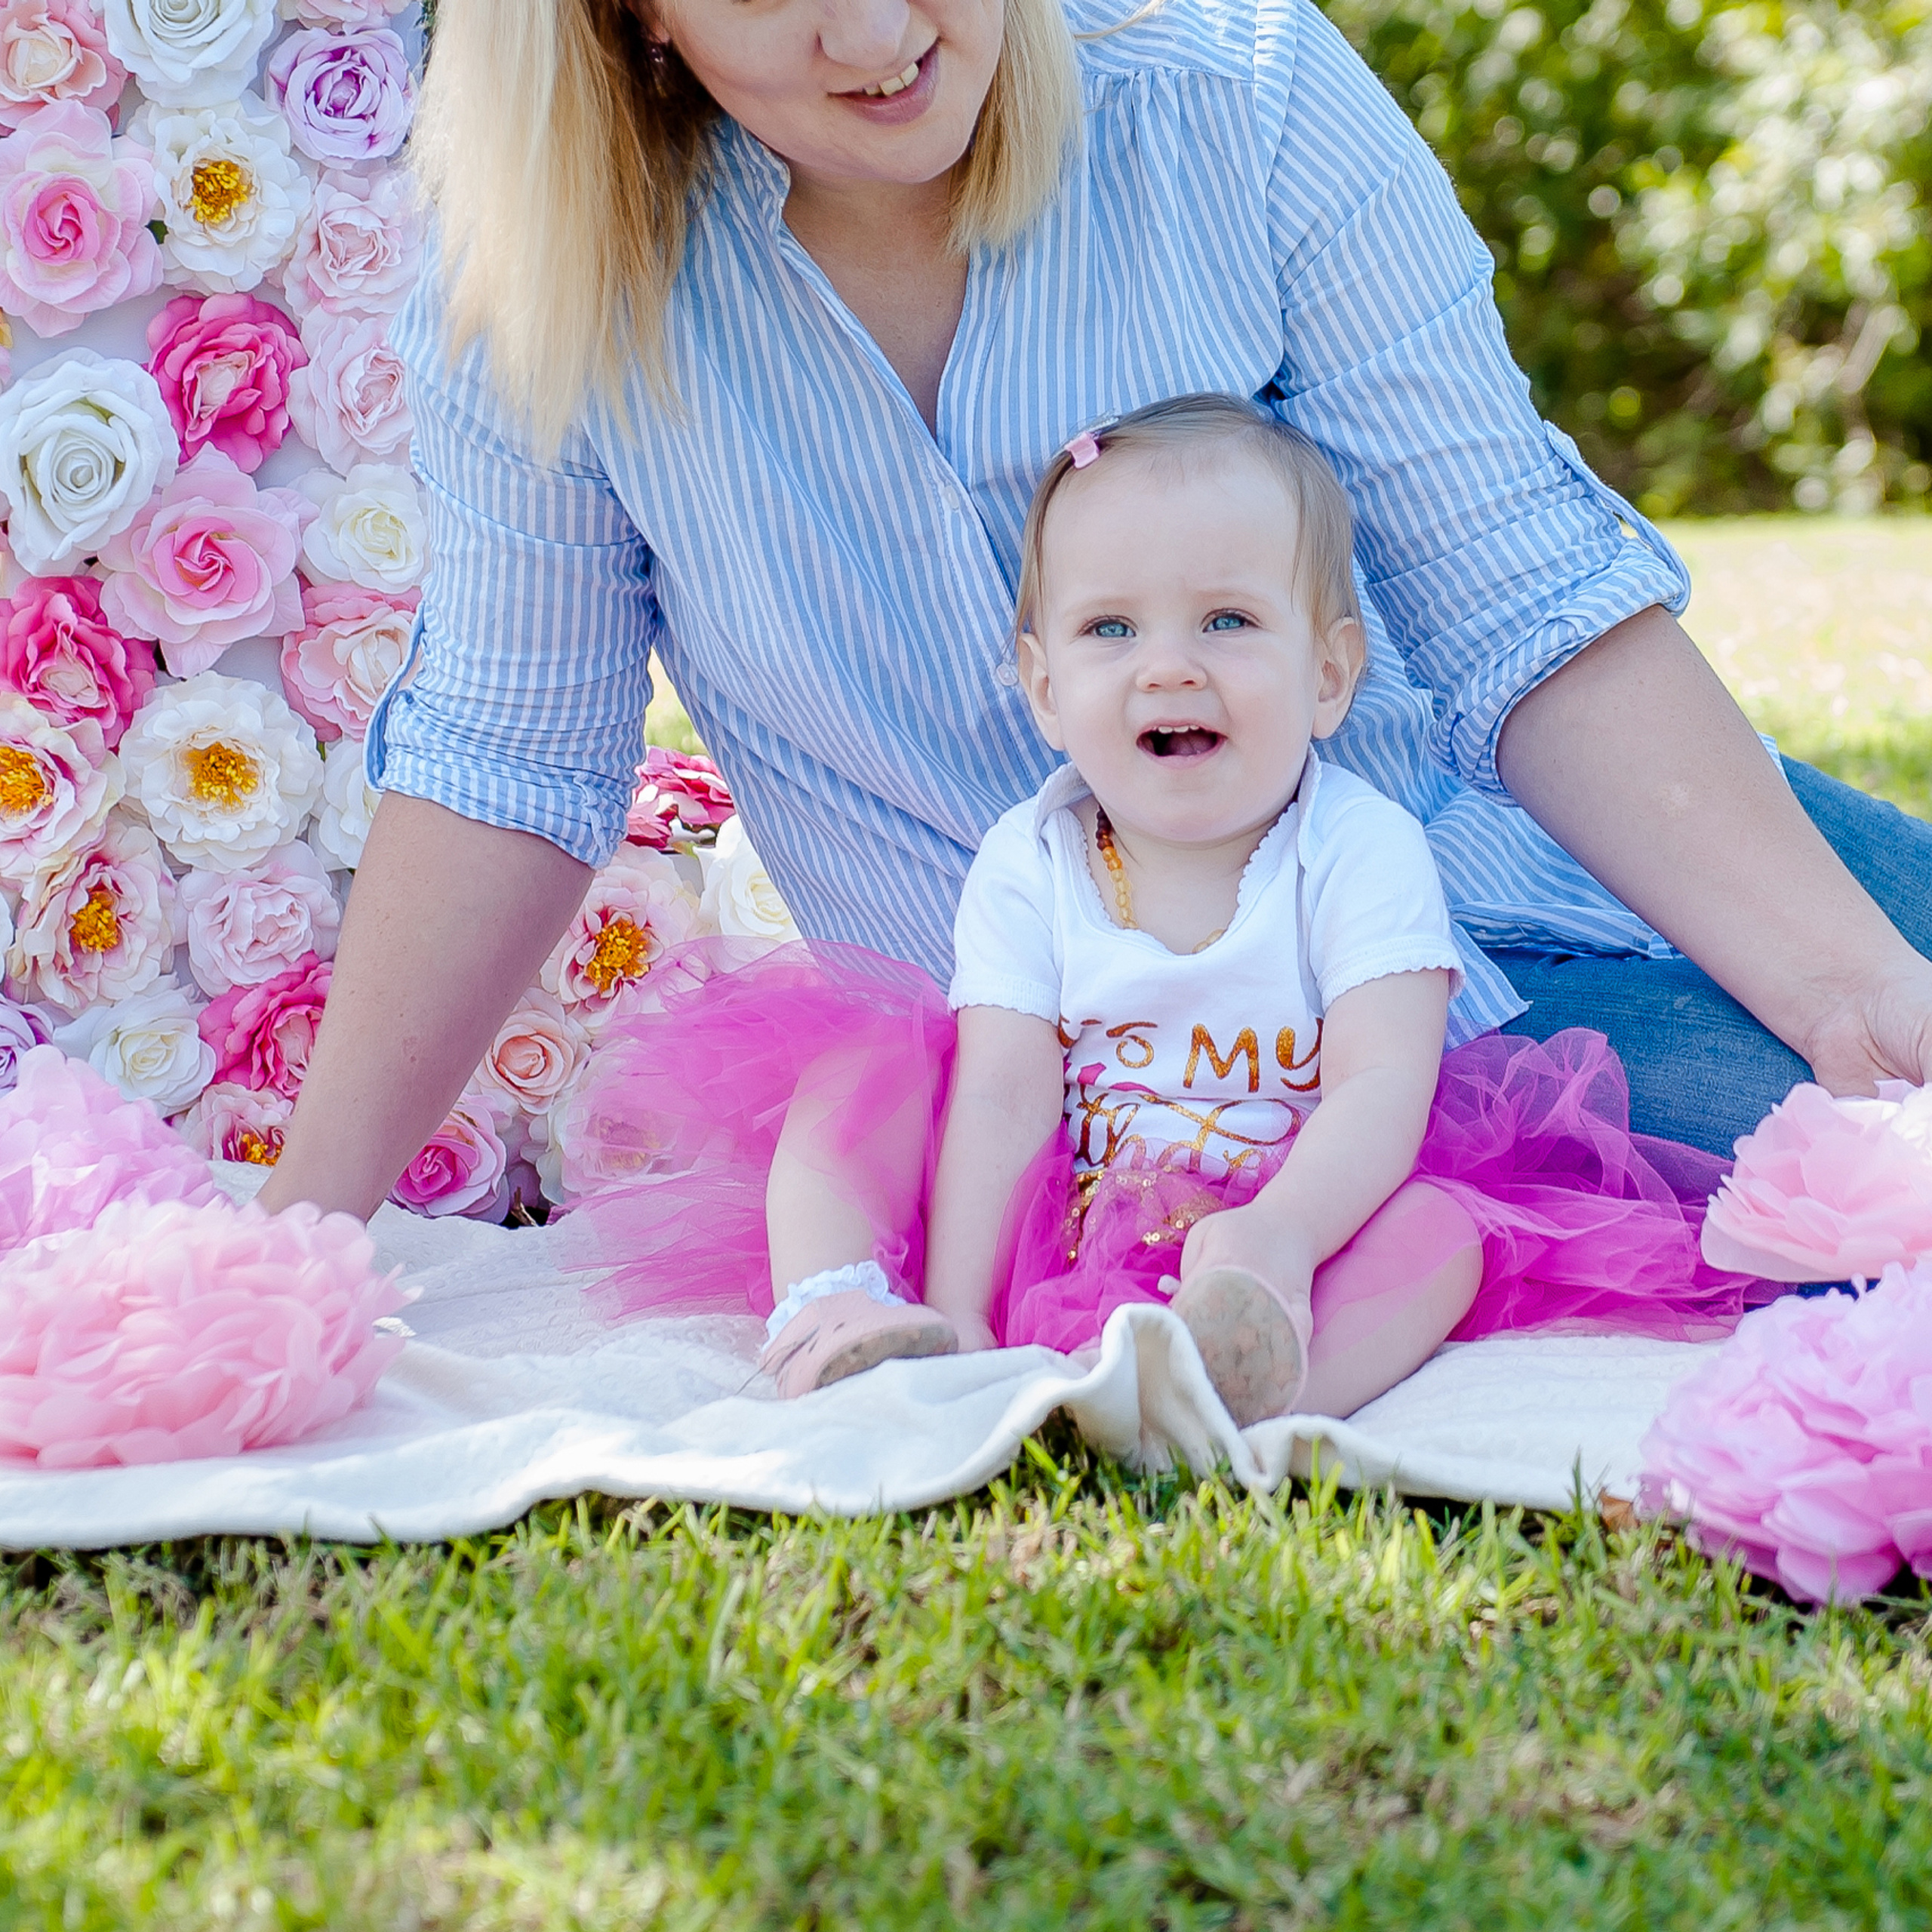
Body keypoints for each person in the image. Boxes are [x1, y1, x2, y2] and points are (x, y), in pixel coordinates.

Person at [257, 0, 1932, 1232]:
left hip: (1497, 836)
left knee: (1892, 1002)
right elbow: (506, 761)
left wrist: (1848, 987)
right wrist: (309, 1224)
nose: (876, 36)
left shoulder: (1237, 91)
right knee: (1859, 1203)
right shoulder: (544, 288)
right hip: (1149, 1080)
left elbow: (1522, 593)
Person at [564, 397, 1771, 1416]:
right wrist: (969, 1305)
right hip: (1055, 1205)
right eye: (1111, 628)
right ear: (1045, 688)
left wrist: (1282, 1235)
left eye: (1228, 621)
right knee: (853, 1077)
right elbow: (1005, 1090)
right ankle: (852, 1317)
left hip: (1292, 1225)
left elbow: (1381, 1085)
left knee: (1445, 1233)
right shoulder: (1032, 858)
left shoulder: (1358, 848)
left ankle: (1248, 1389)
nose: (1169, 664)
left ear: (1330, 675)